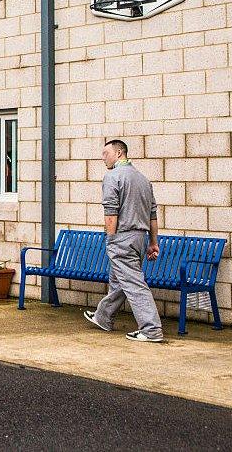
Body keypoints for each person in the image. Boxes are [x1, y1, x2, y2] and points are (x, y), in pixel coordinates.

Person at [84, 139, 164, 342]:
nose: (103, 158)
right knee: (119, 279)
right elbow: (152, 215)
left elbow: (111, 213)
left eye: (105, 153)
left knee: (133, 283)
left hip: (122, 237)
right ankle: (104, 317)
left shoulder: (113, 176)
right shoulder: (143, 179)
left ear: (119, 153)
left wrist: (111, 240)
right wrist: (153, 242)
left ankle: (151, 329)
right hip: (140, 238)